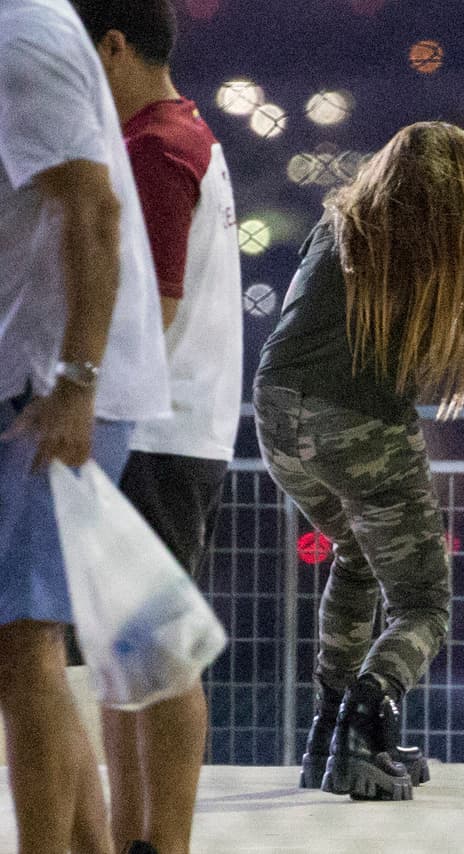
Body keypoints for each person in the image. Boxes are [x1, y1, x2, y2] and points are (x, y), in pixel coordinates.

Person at [254, 120, 464, 801]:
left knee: (354, 555)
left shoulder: (344, 221)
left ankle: (329, 734)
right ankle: (363, 722)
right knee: (424, 602)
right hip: (360, 422)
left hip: (275, 412)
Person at [69, 1, 243, 851]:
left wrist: (77, 390)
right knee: (126, 655)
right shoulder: (185, 133)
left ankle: (162, 841)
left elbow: (157, 306)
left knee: (160, 656)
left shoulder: (156, 149)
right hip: (175, 429)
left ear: (114, 45)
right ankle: (140, 837)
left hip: (156, 431)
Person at [0, 0, 170, 850]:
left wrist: (77, 380)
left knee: (27, 638)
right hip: (40, 376)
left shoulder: (19, 32)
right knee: (23, 643)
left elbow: (94, 209)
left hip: (53, 383)